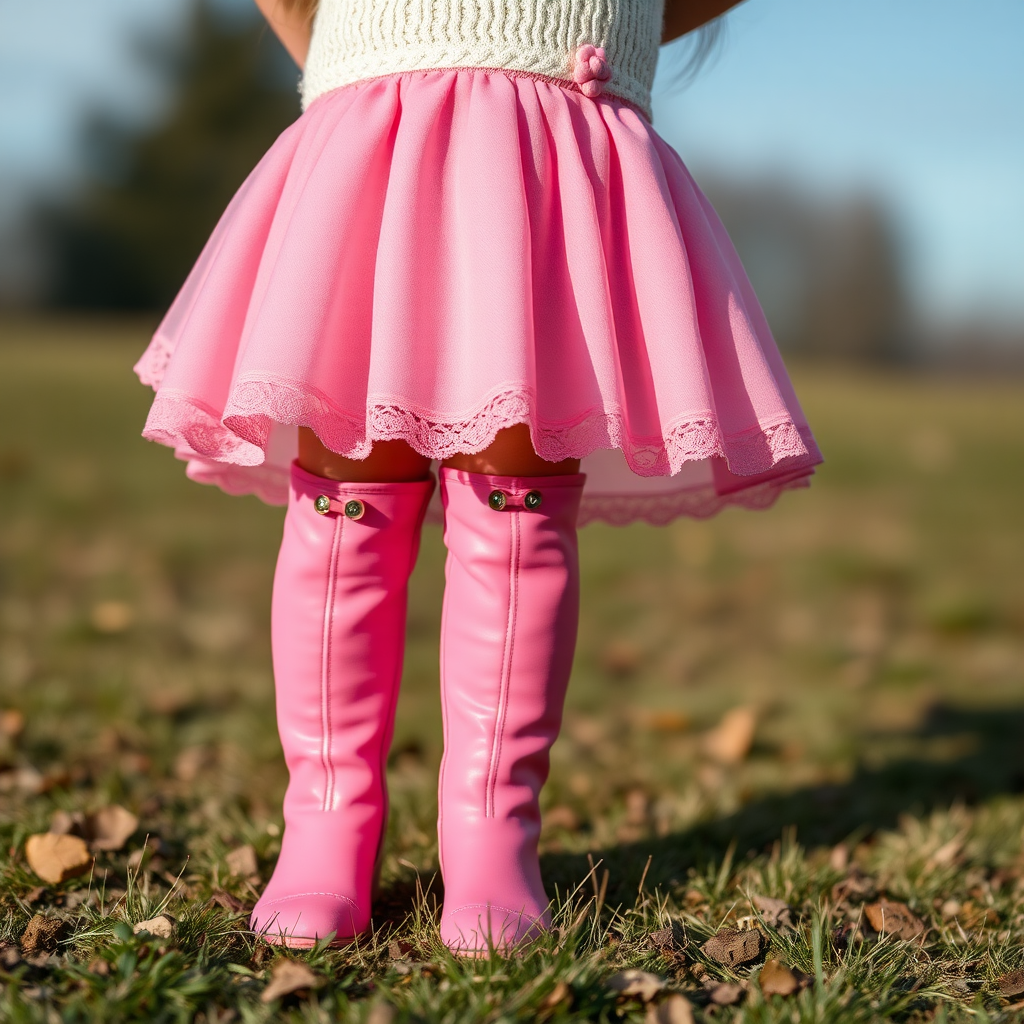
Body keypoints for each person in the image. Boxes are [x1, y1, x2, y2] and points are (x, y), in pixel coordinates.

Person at [134, 0, 823, 955]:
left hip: (550, 139)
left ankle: (492, 834)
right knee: (349, 471)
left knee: (517, 481)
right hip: (378, 116)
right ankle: (327, 822)